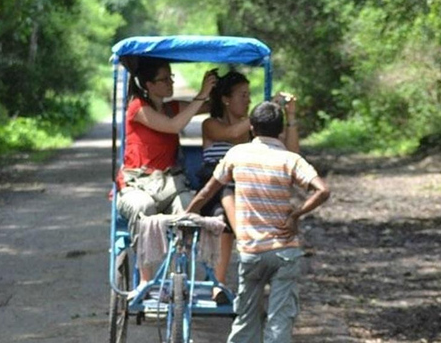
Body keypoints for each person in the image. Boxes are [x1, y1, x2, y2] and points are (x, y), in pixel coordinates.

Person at [186, 101, 330, 343]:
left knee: (246, 317)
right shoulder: (291, 159)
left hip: (252, 252)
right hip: (284, 251)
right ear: (281, 130)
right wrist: (295, 214)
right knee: (280, 318)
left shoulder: (236, 154)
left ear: (251, 128)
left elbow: (207, 192)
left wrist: (186, 214)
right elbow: (323, 191)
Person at [199, 70, 300, 303]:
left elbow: (292, 154)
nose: (247, 101)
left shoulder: (255, 132)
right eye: (242, 96)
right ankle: (219, 283)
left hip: (250, 188)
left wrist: (289, 116)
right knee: (223, 217)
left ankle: (268, 276)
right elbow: (232, 133)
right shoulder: (211, 125)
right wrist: (264, 111)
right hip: (216, 189)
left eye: (249, 96)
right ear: (226, 99)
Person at [116, 57, 217, 289]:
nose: (170, 83)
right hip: (137, 184)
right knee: (143, 208)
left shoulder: (172, 107)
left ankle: (178, 272)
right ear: (149, 85)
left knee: (189, 209)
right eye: (164, 79)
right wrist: (201, 94)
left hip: (170, 183)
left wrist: (217, 90)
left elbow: (206, 106)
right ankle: (145, 280)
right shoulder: (137, 108)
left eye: (170, 77)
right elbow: (174, 126)